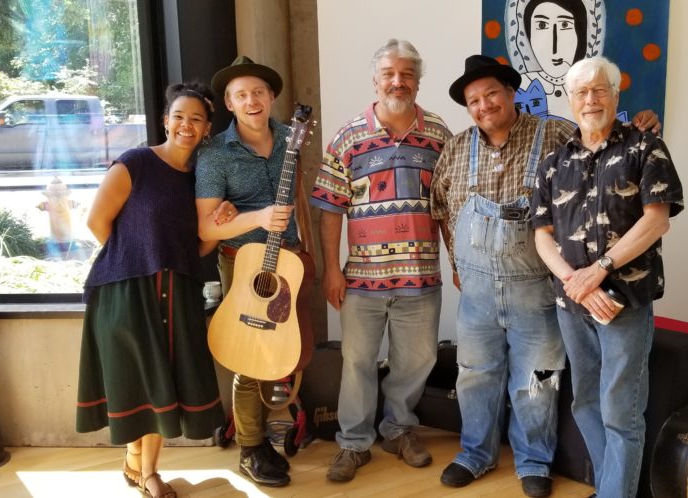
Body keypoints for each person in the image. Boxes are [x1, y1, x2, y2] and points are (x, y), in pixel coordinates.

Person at [431, 54, 658, 498]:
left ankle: (534, 460)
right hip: (477, 291)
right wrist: (457, 266)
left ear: (511, 93)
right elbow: (441, 212)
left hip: (538, 288)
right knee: (474, 373)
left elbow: (605, 139)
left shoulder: (554, 135)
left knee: (537, 379)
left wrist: (647, 120)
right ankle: (475, 453)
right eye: (474, 100)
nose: (484, 105)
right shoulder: (455, 148)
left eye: (491, 93)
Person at [533, 56, 684, 498]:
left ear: (616, 96)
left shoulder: (645, 148)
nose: (590, 99)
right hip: (572, 303)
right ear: (569, 100)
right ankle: (611, 488)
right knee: (585, 404)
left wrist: (598, 271)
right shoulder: (553, 163)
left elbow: (657, 221)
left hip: (624, 301)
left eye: (600, 90)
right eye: (581, 92)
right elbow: (542, 237)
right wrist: (574, 282)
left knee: (621, 410)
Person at [77, 82, 229, 498]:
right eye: (179, 116)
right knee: (137, 380)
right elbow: (97, 223)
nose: (186, 125)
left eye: (196, 119)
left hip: (176, 292)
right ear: (166, 121)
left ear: (207, 129)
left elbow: (197, 246)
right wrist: (134, 259)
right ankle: (142, 471)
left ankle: (142, 469)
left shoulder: (199, 181)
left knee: (162, 382)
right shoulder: (135, 163)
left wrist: (220, 222)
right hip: (125, 292)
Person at [311, 39, 450, 483]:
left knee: (418, 360)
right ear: (375, 79)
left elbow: (447, 206)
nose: (398, 81)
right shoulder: (349, 136)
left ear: (418, 80)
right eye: (389, 73)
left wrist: (457, 261)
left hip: (421, 277)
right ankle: (353, 443)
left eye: (407, 74)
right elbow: (330, 208)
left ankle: (399, 428)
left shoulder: (439, 135)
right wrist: (333, 268)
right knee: (356, 362)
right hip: (363, 281)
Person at [195, 55, 312, 488]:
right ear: (229, 103)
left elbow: (299, 197)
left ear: (272, 97)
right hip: (243, 264)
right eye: (241, 94)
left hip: (291, 264)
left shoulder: (291, 138)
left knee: (286, 350)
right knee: (250, 354)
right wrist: (259, 217)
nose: (252, 100)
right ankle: (250, 445)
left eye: (259, 92)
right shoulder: (213, 155)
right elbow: (207, 225)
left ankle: (281, 426)